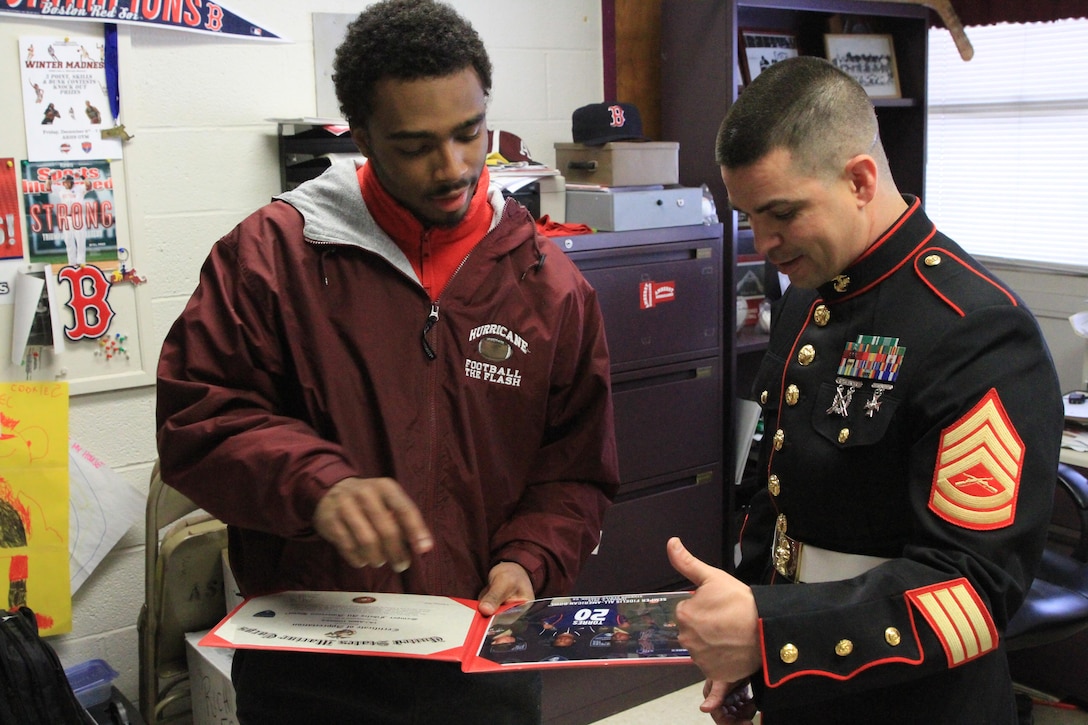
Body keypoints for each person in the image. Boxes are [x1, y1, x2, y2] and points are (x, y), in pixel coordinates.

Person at [155, 1, 619, 723]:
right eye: (415, 145)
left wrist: (528, 559)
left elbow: (575, 469)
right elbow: (198, 421)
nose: (454, 167)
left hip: (481, 660)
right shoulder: (272, 259)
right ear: (363, 136)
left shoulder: (549, 285)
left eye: (470, 134)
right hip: (312, 670)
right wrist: (316, 485)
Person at [667, 56, 1063, 724]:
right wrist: (755, 658)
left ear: (858, 179)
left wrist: (771, 632)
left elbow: (972, 590)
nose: (763, 243)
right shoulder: (807, 298)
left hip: (917, 702)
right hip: (806, 687)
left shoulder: (977, 329)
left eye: (781, 213)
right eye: (748, 218)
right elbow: (773, 499)